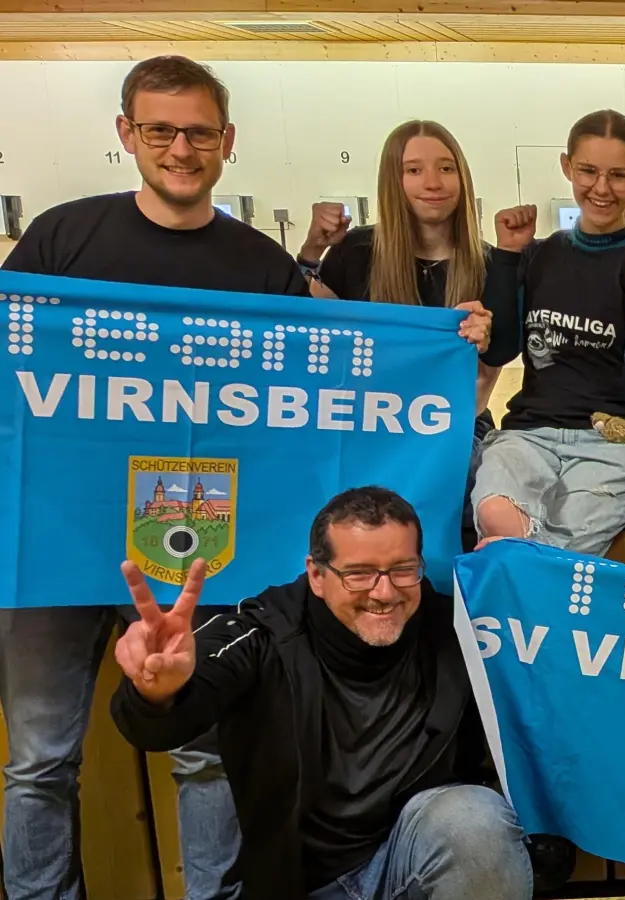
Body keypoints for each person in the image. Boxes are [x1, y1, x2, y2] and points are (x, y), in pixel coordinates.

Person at [0, 55, 306, 900]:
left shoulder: (262, 265)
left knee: (205, 753)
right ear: (127, 134)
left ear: (228, 141)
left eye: (199, 131)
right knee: (37, 761)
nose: (180, 147)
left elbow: (319, 401)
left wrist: (443, 337)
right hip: (52, 538)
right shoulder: (63, 237)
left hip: (201, 544)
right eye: (160, 129)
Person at [110, 487, 533, 900]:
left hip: (411, 862)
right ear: (316, 575)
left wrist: (523, 575)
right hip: (299, 881)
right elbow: (160, 728)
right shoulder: (263, 633)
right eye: (359, 574)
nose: (384, 593)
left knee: (473, 819)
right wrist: (156, 693)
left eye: (403, 569)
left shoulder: (457, 629)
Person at [473, 109, 625, 556]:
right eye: (588, 171)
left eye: (618, 175)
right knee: (496, 515)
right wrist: (507, 256)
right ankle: (521, 581)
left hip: (619, 440)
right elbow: (502, 351)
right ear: (567, 166)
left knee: (552, 547)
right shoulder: (539, 256)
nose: (602, 188)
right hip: (531, 434)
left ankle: (512, 590)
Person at [291, 119, 503, 551]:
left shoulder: (493, 267)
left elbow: (480, 392)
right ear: (394, 179)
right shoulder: (356, 253)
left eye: (446, 168)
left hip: (457, 432)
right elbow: (311, 328)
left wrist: (484, 346)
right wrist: (312, 251)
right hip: (371, 424)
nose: (432, 183)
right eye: (413, 170)